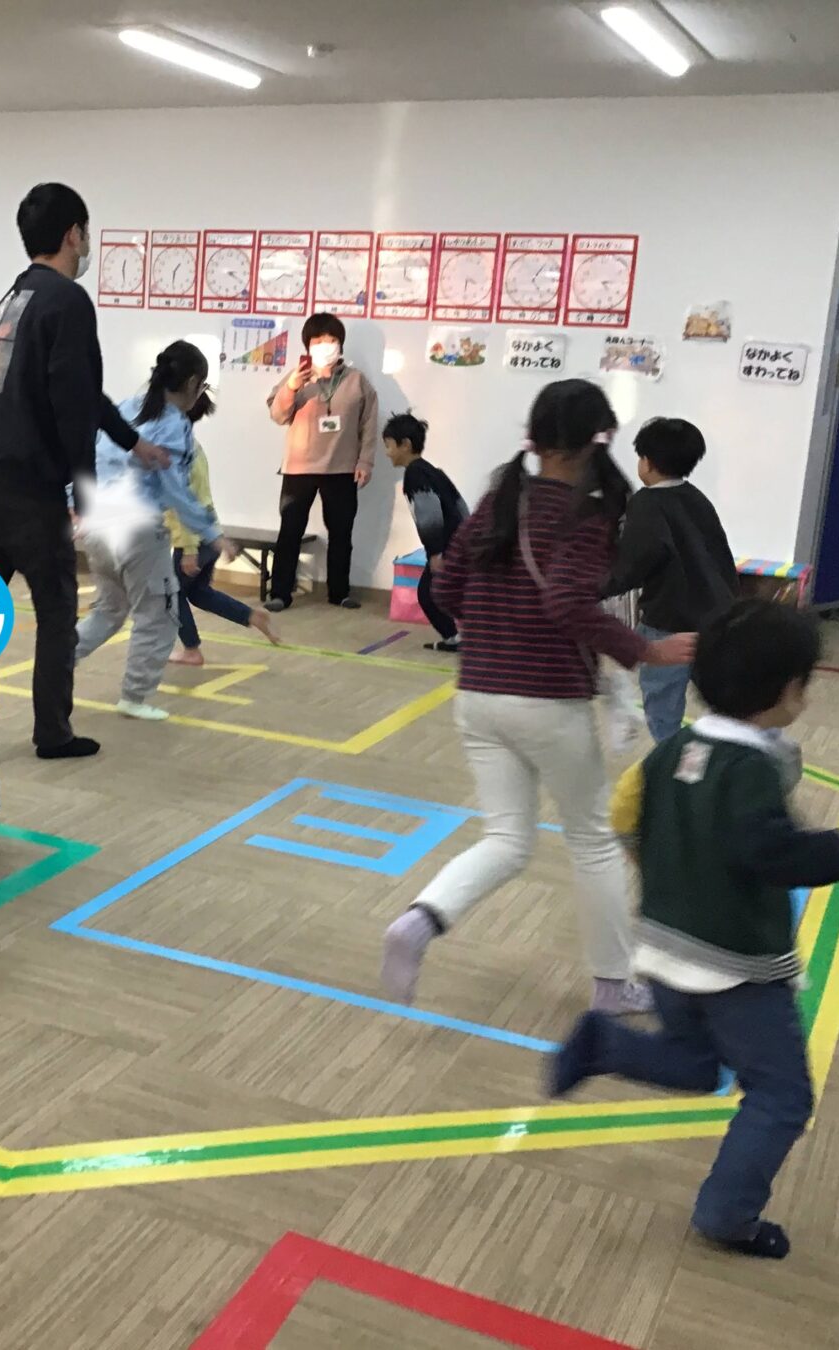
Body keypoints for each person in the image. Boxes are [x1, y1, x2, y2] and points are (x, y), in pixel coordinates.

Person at [550, 600, 839, 1259]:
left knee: (698, 1064)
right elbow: (777, 856)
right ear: (789, 691)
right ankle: (726, 1216)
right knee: (781, 1095)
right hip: (736, 969)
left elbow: (626, 819)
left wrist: (669, 875)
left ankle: (604, 1044)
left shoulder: (674, 750)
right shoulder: (750, 771)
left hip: (662, 946)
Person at [379, 379, 696, 1015]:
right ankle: (612, 985)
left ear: (536, 436)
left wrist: (494, 629)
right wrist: (647, 651)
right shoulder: (587, 514)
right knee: (593, 841)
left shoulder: (500, 499)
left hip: (478, 695)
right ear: (598, 439)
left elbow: (446, 586)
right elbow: (567, 603)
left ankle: (419, 920)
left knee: (506, 838)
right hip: (548, 701)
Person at [0, 182, 173, 761]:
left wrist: (130, 440)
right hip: (25, 494)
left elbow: (77, 391)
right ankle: (52, 732)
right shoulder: (69, 301)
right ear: (74, 234)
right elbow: (72, 408)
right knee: (55, 613)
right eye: (88, 232)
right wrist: (86, 497)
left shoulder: (18, 295)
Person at [75, 340, 235, 721]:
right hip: (138, 531)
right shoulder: (175, 426)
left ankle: (57, 662)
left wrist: (73, 504)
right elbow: (176, 489)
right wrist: (211, 534)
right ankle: (135, 696)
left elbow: (88, 456)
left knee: (109, 610)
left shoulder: (124, 409)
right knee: (158, 616)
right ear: (193, 383)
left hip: (98, 524)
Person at [601, 417, 738, 741]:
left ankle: (669, 758)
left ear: (647, 462)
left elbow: (634, 562)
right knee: (723, 700)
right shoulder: (697, 498)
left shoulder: (646, 503)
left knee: (662, 703)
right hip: (717, 618)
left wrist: (594, 587)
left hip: (668, 621)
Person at [264, 313, 378, 611]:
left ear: (340, 344)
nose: (326, 346)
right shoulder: (297, 377)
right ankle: (280, 593)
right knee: (290, 531)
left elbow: (369, 424)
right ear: (308, 346)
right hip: (299, 468)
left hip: (342, 469)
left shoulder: (357, 380)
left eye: (331, 340)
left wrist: (365, 461)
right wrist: (291, 387)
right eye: (318, 341)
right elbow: (278, 416)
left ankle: (339, 592)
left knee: (341, 533)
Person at [168, 389, 279, 667]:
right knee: (199, 593)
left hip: (192, 539)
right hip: (209, 534)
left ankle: (191, 650)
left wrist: (189, 548)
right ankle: (250, 615)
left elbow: (184, 503)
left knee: (171, 594)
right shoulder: (194, 447)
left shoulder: (178, 452)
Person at [383, 412, 469, 652]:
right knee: (440, 591)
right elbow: (460, 505)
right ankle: (459, 637)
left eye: (389, 446)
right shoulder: (432, 471)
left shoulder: (415, 475)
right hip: (459, 541)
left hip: (448, 545)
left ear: (405, 445)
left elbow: (429, 515)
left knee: (427, 593)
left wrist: (436, 552)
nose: (387, 453)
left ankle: (456, 638)